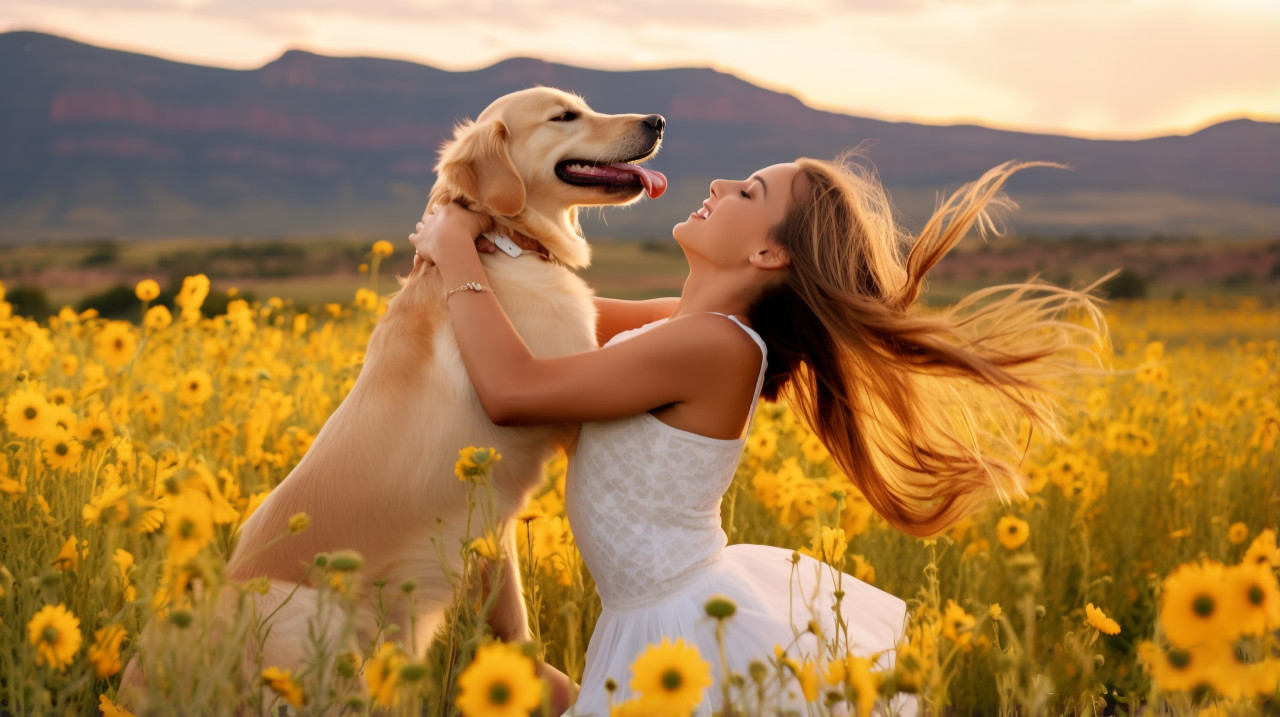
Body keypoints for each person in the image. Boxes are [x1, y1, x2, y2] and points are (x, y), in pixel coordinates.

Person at [409, 154, 1106, 716]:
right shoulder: (677, 323)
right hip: (644, 611)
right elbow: (540, 313)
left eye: (747, 191)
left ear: (770, 252)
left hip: (680, 622)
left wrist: (453, 250)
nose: (718, 184)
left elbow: (513, 391)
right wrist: (483, 222)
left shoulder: (717, 346)